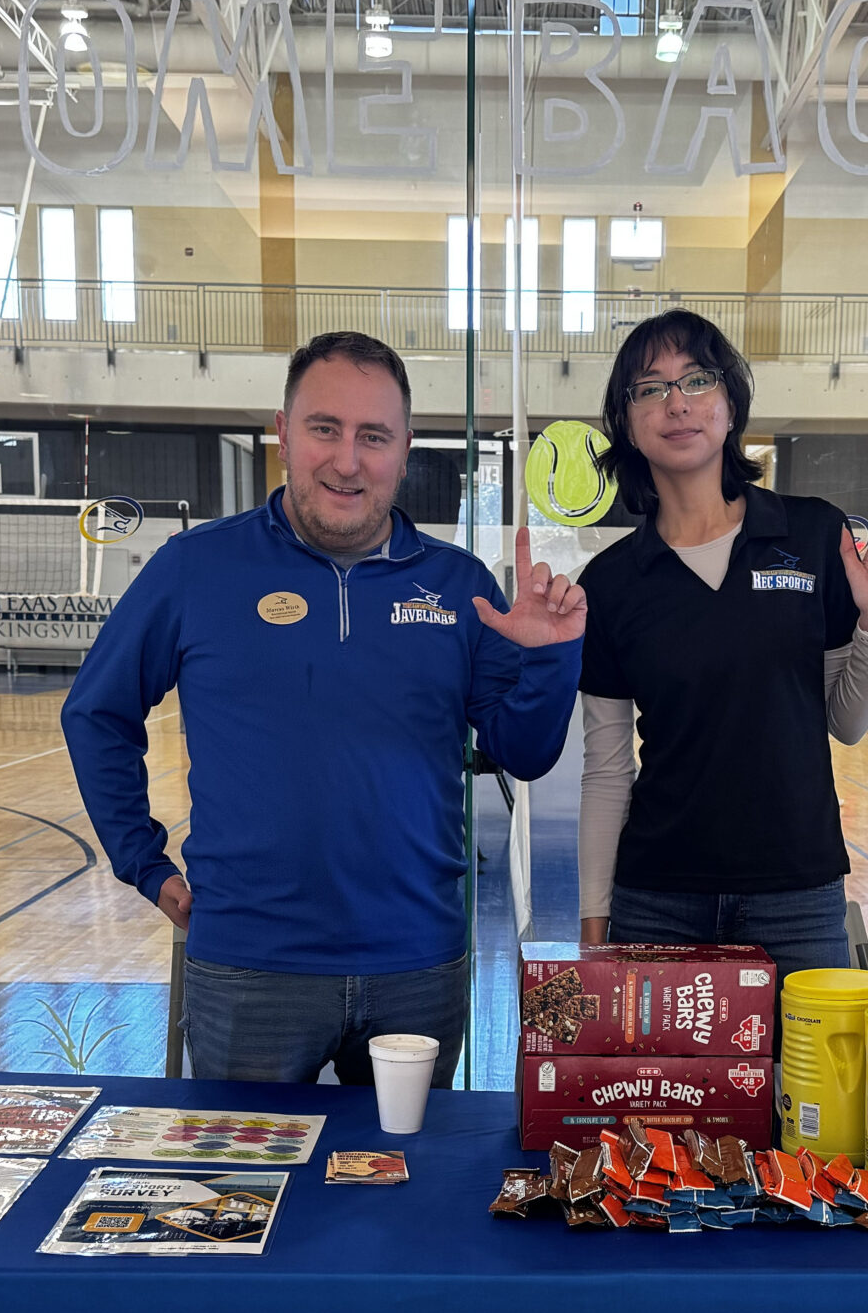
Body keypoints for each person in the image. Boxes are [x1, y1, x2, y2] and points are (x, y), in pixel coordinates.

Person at [63, 330, 585, 1085]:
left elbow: (524, 751)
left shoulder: (459, 585)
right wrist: (142, 862)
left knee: (404, 1161)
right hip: (249, 965)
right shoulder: (196, 569)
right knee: (242, 1166)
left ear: (405, 450)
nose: (347, 461)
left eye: (373, 436)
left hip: (418, 965)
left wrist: (550, 657)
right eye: (325, 429)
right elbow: (95, 713)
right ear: (283, 433)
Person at [574, 309, 868, 975]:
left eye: (697, 380)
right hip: (657, 901)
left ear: (730, 404)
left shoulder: (813, 536)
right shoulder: (611, 583)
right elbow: (608, 771)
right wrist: (595, 929)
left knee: (814, 1052)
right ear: (628, 422)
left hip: (798, 897)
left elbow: (847, 723)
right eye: (650, 388)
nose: (677, 403)